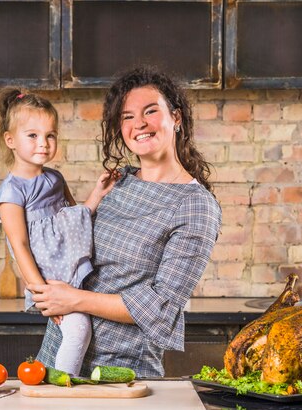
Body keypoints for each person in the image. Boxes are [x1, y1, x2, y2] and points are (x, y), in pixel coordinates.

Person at [30, 67, 222, 377]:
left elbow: (160, 306)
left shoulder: (195, 206)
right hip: (56, 356)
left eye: (150, 111)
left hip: (120, 374)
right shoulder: (119, 183)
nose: (139, 124)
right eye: (127, 117)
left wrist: (73, 298)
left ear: (175, 118)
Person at [0, 88, 115, 376]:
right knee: (78, 331)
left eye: (50, 135)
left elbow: (76, 218)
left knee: (88, 329)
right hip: (53, 284)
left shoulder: (55, 178)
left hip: (77, 273)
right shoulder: (11, 192)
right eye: (32, 135)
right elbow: (19, 246)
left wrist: (98, 193)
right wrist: (43, 295)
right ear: (10, 140)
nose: (43, 143)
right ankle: (64, 391)